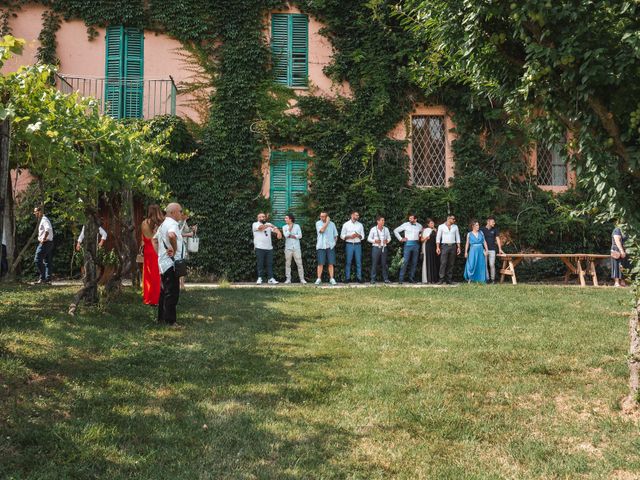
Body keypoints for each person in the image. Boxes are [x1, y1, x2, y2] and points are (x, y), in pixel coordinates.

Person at [153, 202, 184, 326]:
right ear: (172, 212)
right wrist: (174, 250)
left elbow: (154, 240)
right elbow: (172, 236)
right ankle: (170, 321)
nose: (181, 213)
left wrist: (160, 255)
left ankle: (162, 318)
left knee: (164, 291)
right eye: (180, 211)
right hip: (171, 264)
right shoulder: (172, 224)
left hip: (164, 263)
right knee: (172, 292)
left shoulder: (163, 225)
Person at [141, 205, 164, 306]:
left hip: (147, 250)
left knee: (148, 275)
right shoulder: (159, 224)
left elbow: (143, 239)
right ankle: (156, 299)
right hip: (156, 249)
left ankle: (148, 298)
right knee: (156, 275)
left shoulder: (144, 223)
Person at [252, 212, 282, 285]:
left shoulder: (268, 224)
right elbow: (261, 228)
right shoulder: (255, 224)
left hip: (269, 248)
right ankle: (260, 278)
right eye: (260, 217)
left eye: (263, 217)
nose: (262, 218)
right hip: (259, 247)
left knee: (270, 264)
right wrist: (268, 225)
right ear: (258, 218)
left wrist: (278, 233)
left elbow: (275, 229)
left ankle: (270, 279)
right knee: (260, 264)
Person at [394, 214, 423, 283]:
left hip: (416, 244)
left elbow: (421, 234)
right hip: (408, 245)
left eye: (411, 218)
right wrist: (401, 239)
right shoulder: (405, 224)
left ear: (415, 219)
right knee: (405, 262)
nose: (410, 220)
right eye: (409, 218)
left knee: (414, 262)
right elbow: (395, 230)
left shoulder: (419, 226)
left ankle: (411, 278)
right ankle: (401, 279)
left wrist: (420, 236)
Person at [340, 210, 365, 283]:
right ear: (352, 215)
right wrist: (350, 237)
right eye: (356, 215)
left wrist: (358, 235)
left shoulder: (360, 225)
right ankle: (347, 278)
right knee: (348, 262)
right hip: (349, 245)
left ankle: (359, 278)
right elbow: (342, 236)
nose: (358, 216)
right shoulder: (346, 224)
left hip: (358, 245)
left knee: (358, 262)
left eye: (358, 215)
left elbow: (363, 236)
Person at [436, 214, 461, 285]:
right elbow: (438, 237)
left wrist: (458, 247)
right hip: (444, 246)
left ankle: (449, 280)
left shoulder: (455, 227)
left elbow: (457, 237)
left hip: (453, 246)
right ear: (448, 219)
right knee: (443, 263)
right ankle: (441, 279)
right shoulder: (441, 226)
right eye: (453, 219)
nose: (454, 220)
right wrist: (437, 247)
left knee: (451, 263)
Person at [315, 211, 338, 285]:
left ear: (327, 216)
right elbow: (321, 230)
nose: (321, 217)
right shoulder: (318, 223)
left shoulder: (332, 224)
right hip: (321, 246)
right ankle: (319, 278)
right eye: (320, 216)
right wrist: (327, 222)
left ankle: (331, 278)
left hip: (330, 246)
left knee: (331, 264)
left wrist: (334, 243)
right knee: (320, 263)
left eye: (323, 216)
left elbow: (336, 235)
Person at [282, 213, 306, 284]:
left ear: (290, 219)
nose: (285, 219)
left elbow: (300, 236)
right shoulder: (284, 227)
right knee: (288, 264)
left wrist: (292, 236)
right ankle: (288, 279)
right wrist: (290, 228)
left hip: (296, 248)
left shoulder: (297, 226)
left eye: (286, 218)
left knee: (299, 264)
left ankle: (302, 279)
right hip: (288, 248)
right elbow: (286, 235)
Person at [367, 215, 391, 284]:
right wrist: (375, 241)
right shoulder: (373, 229)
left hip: (384, 248)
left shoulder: (386, 229)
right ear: (378, 221)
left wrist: (387, 241)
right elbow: (368, 239)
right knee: (374, 264)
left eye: (384, 220)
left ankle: (386, 279)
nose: (383, 221)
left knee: (384, 264)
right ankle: (372, 279)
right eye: (382, 220)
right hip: (376, 248)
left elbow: (389, 238)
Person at [33, 206, 54, 284]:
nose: (35, 214)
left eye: (36, 212)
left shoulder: (44, 220)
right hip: (49, 243)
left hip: (46, 243)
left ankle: (43, 278)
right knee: (47, 261)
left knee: (37, 259)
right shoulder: (43, 219)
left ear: (40, 212)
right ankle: (47, 279)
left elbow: (47, 229)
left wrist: (43, 239)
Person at [480, 215, 504, 284]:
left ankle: (493, 279)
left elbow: (497, 239)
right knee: (485, 265)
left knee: (492, 264)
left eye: (494, 222)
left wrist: (500, 248)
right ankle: (487, 279)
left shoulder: (495, 229)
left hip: (492, 250)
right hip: (484, 250)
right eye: (493, 222)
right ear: (488, 221)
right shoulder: (482, 230)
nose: (494, 223)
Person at [178, 209, 198, 290]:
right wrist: (188, 234)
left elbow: (187, 231)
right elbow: (178, 234)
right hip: (181, 245)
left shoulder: (184, 222)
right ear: (183, 215)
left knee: (182, 263)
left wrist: (192, 229)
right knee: (181, 263)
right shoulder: (180, 222)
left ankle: (182, 284)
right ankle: (181, 284)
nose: (188, 216)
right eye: (187, 214)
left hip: (184, 244)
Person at [421, 218, 439, 283]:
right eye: (431, 223)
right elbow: (421, 240)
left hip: (434, 247)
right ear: (428, 224)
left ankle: (434, 279)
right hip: (427, 247)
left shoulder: (435, 230)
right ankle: (428, 279)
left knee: (434, 262)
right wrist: (426, 238)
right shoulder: (425, 230)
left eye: (433, 223)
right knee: (428, 261)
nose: (432, 224)